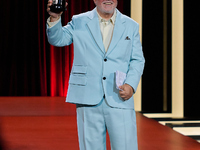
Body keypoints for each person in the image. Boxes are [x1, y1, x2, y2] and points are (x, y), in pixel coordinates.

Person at [46, 0, 145, 149]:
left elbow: (137, 59)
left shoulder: (131, 25)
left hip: (119, 96)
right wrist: (55, 18)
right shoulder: (79, 21)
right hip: (88, 97)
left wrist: (131, 84)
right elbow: (58, 39)